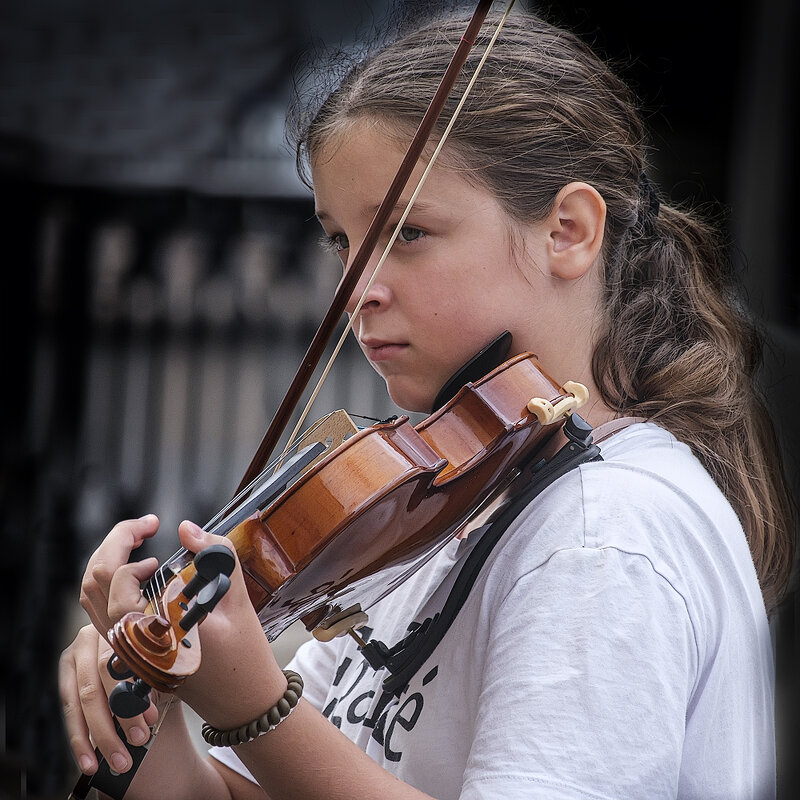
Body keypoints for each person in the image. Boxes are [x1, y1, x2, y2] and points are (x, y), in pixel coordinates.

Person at [59, 7, 795, 800]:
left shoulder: (602, 533)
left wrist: (258, 708)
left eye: (406, 232)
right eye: (341, 242)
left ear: (569, 230)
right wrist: (149, 716)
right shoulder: (429, 516)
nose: (356, 291)